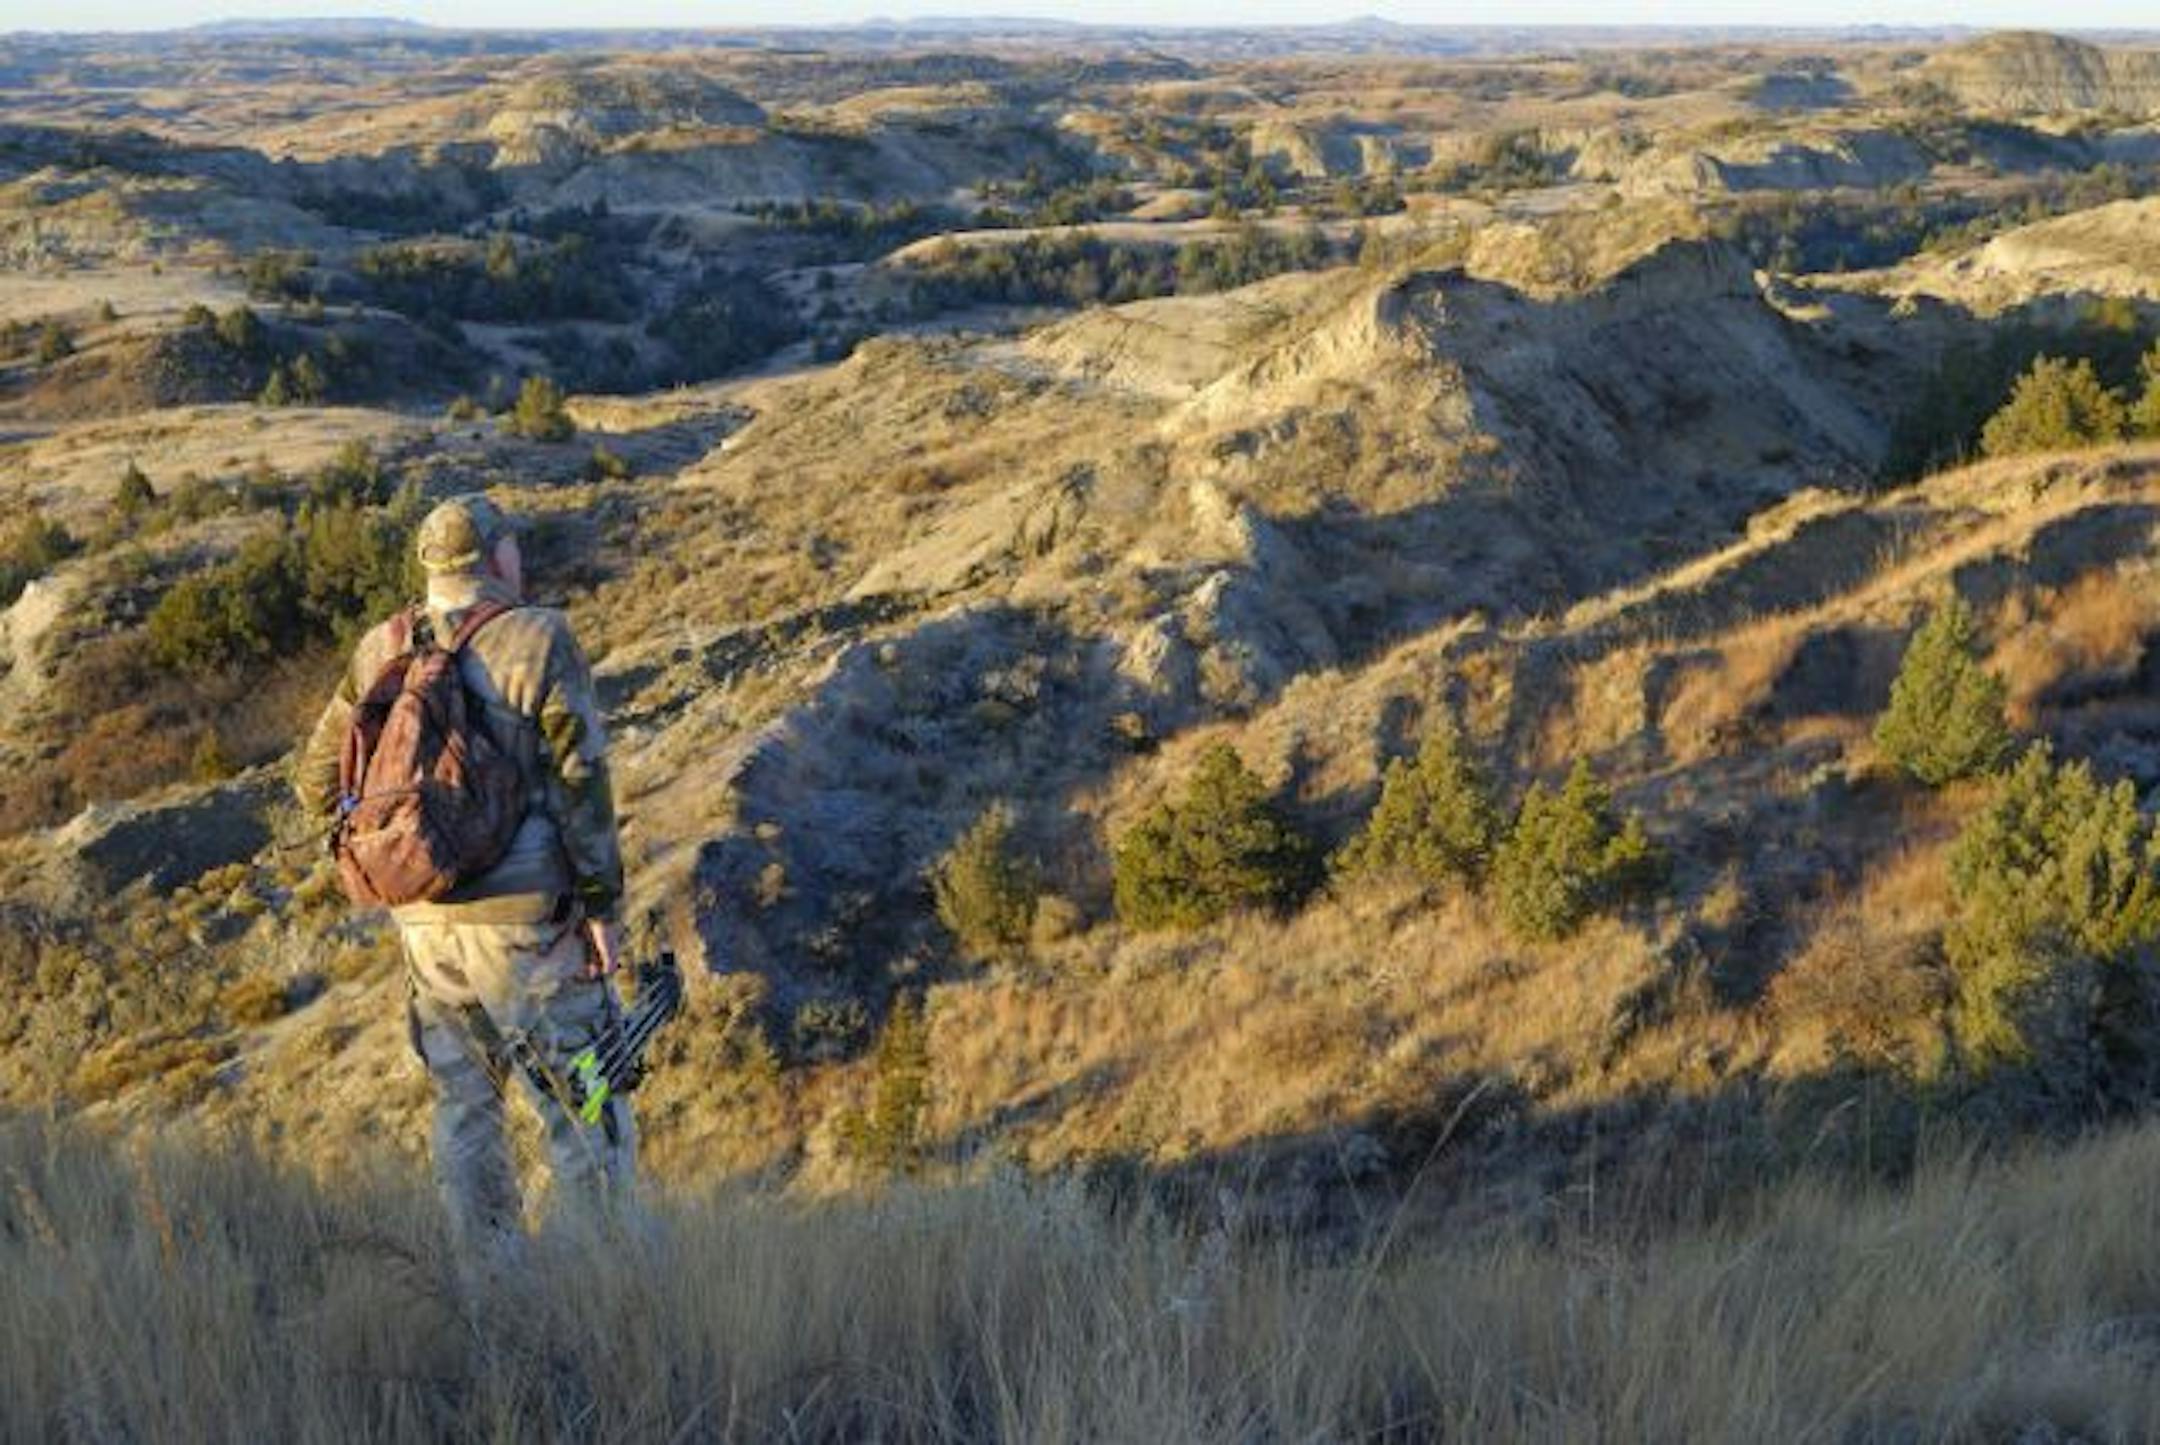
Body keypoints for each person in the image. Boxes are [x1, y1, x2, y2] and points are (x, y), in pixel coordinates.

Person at [295, 492, 634, 1271]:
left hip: (423, 926)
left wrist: (387, 857)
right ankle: (607, 1289)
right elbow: (583, 782)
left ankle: (488, 1281)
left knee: (466, 1104)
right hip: (527, 927)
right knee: (582, 1099)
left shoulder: (381, 645)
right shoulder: (539, 637)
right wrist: (602, 909)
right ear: (498, 558)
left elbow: (317, 779)